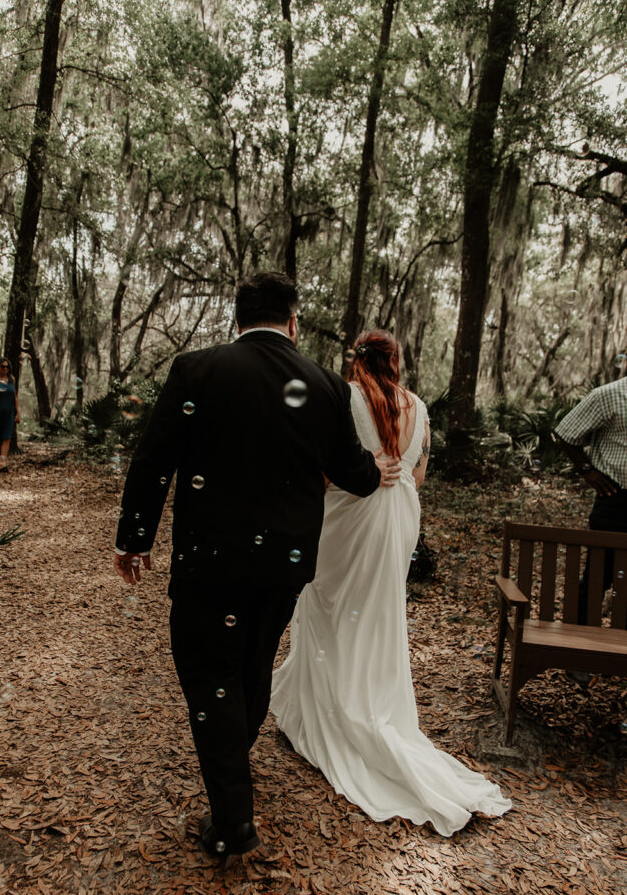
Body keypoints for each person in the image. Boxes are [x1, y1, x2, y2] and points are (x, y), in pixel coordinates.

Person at [113, 272, 401, 858]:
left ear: (237, 318)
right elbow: (351, 472)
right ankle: (232, 769)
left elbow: (152, 461)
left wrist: (135, 538)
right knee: (252, 664)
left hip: (209, 560)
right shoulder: (323, 384)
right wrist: (378, 470)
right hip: (284, 566)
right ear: (293, 321)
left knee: (209, 673)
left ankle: (232, 821)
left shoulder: (196, 370)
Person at [271, 330, 512, 837]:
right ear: (396, 361)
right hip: (399, 517)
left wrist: (351, 475)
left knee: (327, 604)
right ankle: (369, 699)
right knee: (376, 614)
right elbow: (417, 476)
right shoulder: (419, 407)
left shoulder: (343, 395)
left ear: (356, 359)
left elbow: (319, 468)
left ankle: (328, 714)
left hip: (347, 516)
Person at [555, 375, 627, 682]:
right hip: (615, 501)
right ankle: (578, 654)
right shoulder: (609, 395)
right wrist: (587, 471)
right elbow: (565, 434)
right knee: (598, 578)